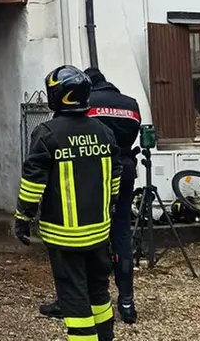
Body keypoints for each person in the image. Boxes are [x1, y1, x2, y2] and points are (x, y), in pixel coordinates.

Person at [15, 65, 123, 341]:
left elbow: (32, 183)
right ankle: (105, 337)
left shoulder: (47, 134)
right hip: (99, 231)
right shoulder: (103, 131)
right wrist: (108, 208)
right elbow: (115, 179)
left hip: (65, 235)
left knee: (73, 295)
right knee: (99, 289)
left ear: (57, 96)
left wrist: (22, 218)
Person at [39, 68, 141, 324]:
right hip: (123, 171)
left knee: (81, 239)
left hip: (89, 175)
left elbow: (71, 134)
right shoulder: (131, 104)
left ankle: (72, 300)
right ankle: (127, 302)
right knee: (121, 234)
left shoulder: (88, 104)